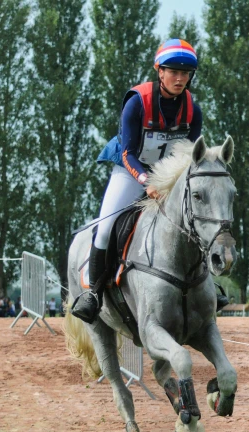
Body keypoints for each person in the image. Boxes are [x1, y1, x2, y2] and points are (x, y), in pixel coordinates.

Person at [72, 38, 206, 323]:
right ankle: (93, 294)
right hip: (132, 170)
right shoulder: (137, 102)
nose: (180, 78)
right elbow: (128, 152)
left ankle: (206, 287)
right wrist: (147, 182)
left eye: (186, 73)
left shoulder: (193, 110)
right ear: (160, 71)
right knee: (107, 226)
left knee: (195, 219)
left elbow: (191, 157)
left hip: (169, 175)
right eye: (174, 71)